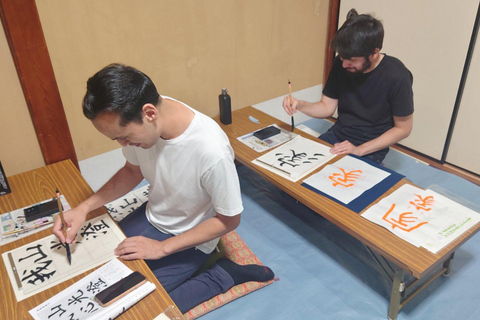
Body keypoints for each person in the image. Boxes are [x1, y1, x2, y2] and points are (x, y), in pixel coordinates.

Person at [53, 63, 274, 313]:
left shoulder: (211, 152)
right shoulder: (146, 111)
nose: (124, 144)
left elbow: (229, 220)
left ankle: (223, 274)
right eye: (116, 139)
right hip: (153, 215)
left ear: (149, 114)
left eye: (124, 137)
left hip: (190, 238)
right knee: (90, 277)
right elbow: (131, 171)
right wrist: (83, 209)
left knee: (140, 307)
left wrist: (161, 248)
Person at [283, 11, 414, 164]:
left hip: (370, 146)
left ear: (374, 53)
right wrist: (300, 105)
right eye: (342, 57)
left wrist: (359, 150)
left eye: (351, 60)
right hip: (338, 135)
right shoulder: (342, 62)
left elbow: (403, 129)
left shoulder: (397, 76)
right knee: (291, 175)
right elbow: (327, 107)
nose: (344, 64)